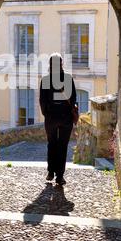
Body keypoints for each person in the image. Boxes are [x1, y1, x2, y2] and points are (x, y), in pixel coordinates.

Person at [39, 53, 77, 185]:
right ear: (62, 64)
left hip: (51, 117)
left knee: (52, 144)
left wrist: (47, 114)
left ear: (50, 65)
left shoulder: (45, 80)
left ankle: (50, 172)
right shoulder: (68, 78)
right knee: (62, 146)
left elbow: (42, 101)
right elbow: (73, 99)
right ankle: (60, 176)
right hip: (65, 117)